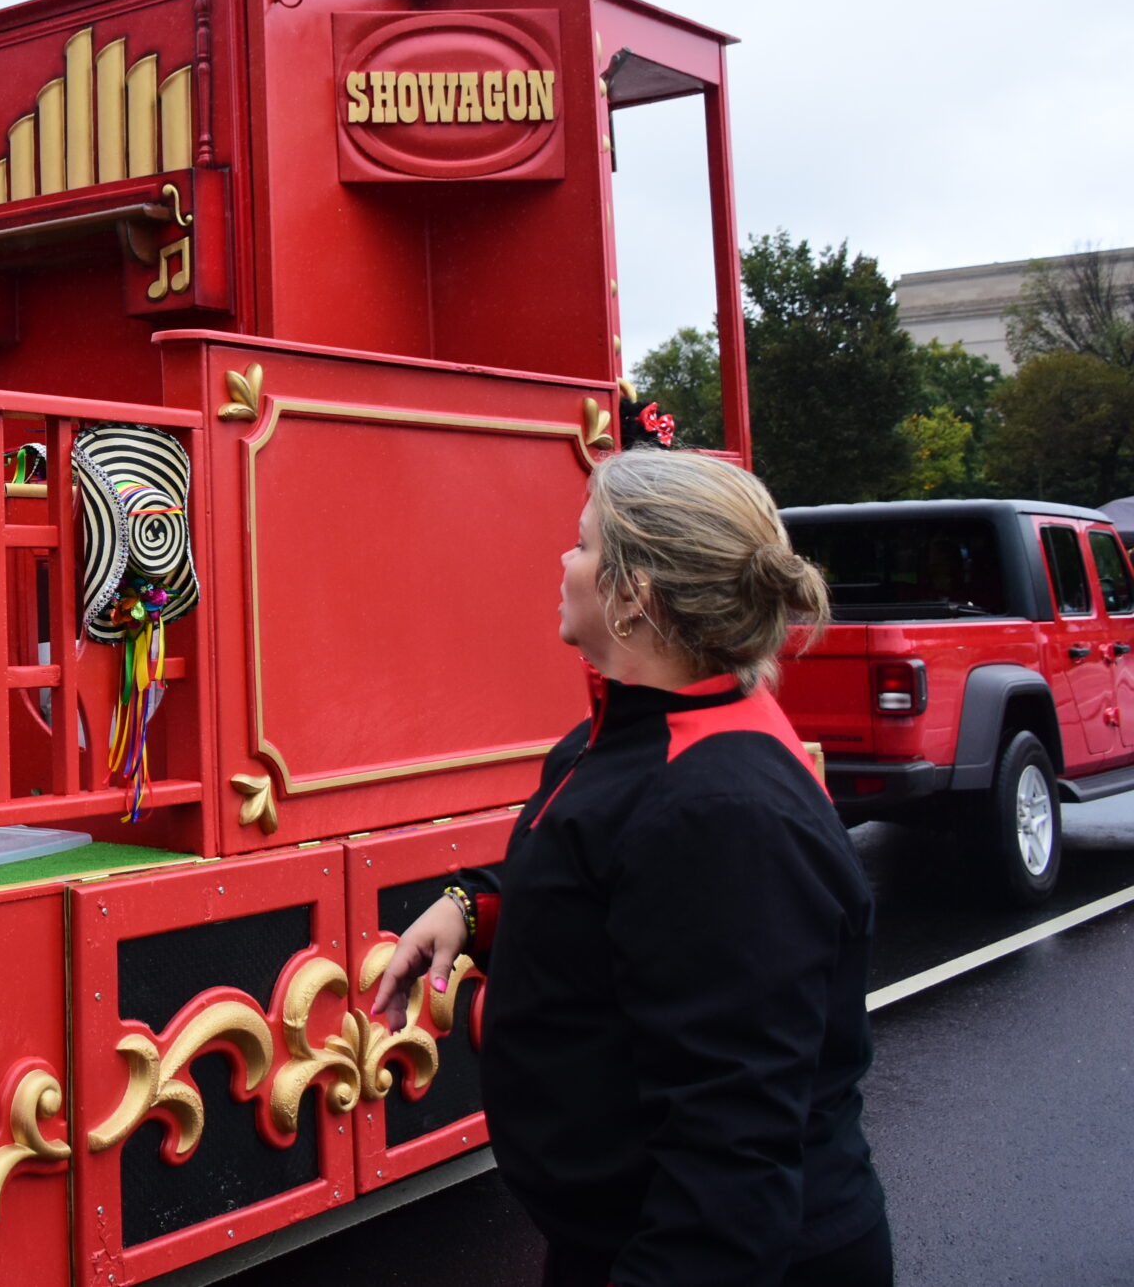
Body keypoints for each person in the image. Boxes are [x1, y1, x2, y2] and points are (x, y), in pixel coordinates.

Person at [368, 450, 890, 1287]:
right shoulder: (629, 736)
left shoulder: (723, 811)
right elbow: (612, 887)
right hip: (620, 1233)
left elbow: (733, 1160)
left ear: (633, 594)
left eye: (583, 544)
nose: (562, 559)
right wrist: (473, 908)